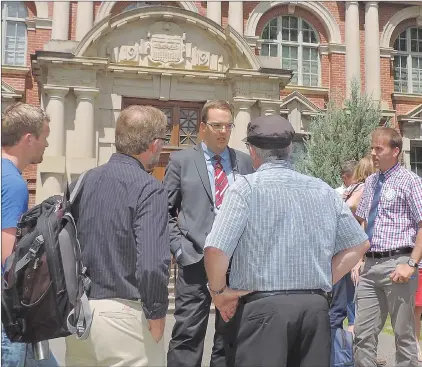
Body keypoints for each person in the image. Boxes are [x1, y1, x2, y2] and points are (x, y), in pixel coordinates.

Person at [204, 115, 370, 367]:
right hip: (313, 310)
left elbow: (216, 248)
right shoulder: (322, 189)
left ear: (252, 150)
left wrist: (219, 293)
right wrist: (324, 278)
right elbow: (359, 244)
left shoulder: (245, 188)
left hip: (264, 310)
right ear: (290, 148)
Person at [65, 105, 171, 366]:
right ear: (155, 144)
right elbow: (152, 263)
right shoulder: (149, 189)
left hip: (80, 312)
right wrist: (157, 313)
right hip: (125, 314)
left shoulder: (80, 183)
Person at [165, 100, 254, 367]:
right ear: (203, 127)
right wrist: (179, 248)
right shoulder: (181, 161)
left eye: (228, 126)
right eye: (217, 125)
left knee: (229, 335)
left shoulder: (245, 163)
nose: (223, 131)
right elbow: (164, 211)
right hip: (195, 260)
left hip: (234, 264)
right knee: (188, 334)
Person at [354, 127, 422, 367]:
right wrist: (359, 259)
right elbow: (363, 221)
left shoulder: (410, 181)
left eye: (378, 148)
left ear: (395, 151)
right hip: (370, 267)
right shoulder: (371, 182)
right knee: (362, 335)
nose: (373, 153)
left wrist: (411, 264)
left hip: (398, 265)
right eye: (372, 148)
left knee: (403, 337)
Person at [1, 102, 58, 367]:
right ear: (28, 138)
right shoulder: (13, 184)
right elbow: (8, 256)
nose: (46, 144)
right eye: (44, 137)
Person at [330, 155, 376, 332]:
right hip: (351, 249)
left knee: (347, 301)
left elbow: (347, 210)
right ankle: (352, 349)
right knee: (352, 301)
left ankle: (345, 350)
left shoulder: (355, 190)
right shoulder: (361, 190)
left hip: (347, 249)